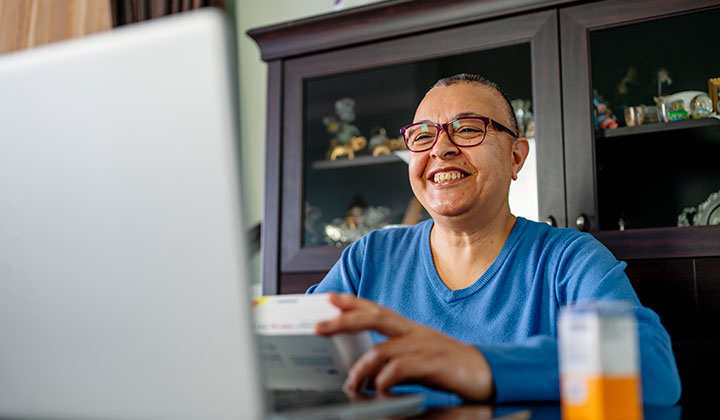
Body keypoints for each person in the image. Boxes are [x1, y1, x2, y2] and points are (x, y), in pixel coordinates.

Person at [307, 73, 681, 405]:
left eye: (468, 129)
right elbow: (292, 346)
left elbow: (653, 370)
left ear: (516, 157)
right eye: (423, 136)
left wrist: (478, 364)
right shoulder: (368, 258)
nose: (440, 148)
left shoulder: (568, 259)